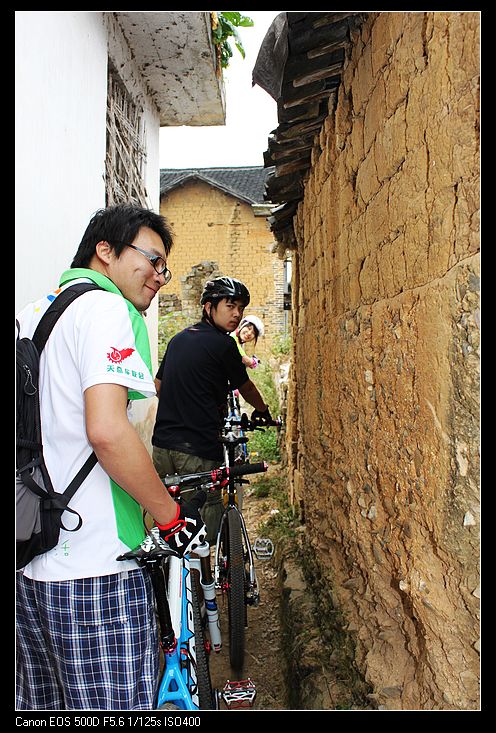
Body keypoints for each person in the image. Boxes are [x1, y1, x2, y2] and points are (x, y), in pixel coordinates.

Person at [16, 203, 207, 711]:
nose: (160, 276)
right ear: (105, 250)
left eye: (165, 267)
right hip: (96, 566)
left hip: (31, 560)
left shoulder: (34, 314)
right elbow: (107, 431)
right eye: (153, 259)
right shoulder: (106, 309)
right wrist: (169, 517)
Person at [152, 277, 272, 543]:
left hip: (161, 446)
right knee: (204, 516)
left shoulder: (177, 340)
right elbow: (246, 387)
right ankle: (203, 567)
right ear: (208, 307)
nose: (237, 314)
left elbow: (158, 386)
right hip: (197, 448)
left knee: (166, 513)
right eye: (230, 306)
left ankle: (170, 567)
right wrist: (263, 410)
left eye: (240, 308)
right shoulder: (225, 345)